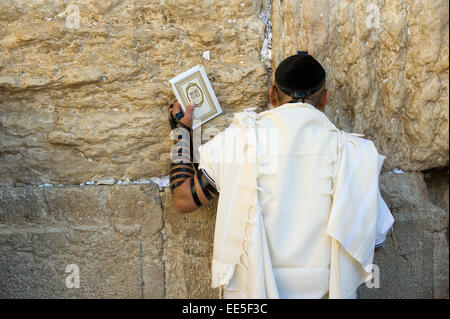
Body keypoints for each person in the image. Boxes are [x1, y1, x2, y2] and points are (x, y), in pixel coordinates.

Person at [168, 53, 394, 299]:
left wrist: (181, 131)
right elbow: (373, 243)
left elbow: (183, 199)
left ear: (272, 94)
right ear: (325, 98)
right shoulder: (352, 154)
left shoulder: (239, 142)